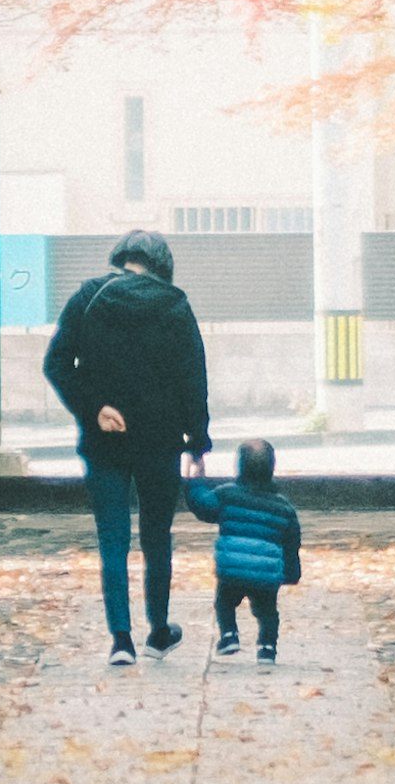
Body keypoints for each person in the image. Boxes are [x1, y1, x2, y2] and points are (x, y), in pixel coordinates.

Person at [41, 227, 212, 661]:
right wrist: (198, 441)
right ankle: (157, 630)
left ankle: (121, 640)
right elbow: (193, 379)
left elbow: (56, 363)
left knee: (112, 539)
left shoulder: (89, 297)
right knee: (157, 536)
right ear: (162, 265)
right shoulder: (175, 305)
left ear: (121, 258)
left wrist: (94, 408)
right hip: (161, 441)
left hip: (105, 441)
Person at [184, 438, 305, 663]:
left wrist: (196, 481)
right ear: (272, 468)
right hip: (265, 573)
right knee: (268, 611)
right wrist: (291, 573)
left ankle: (229, 635)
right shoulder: (283, 507)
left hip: (232, 570)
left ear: (238, 466)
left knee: (224, 602)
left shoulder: (227, 495)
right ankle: (267, 648)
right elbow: (291, 543)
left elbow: (203, 506)